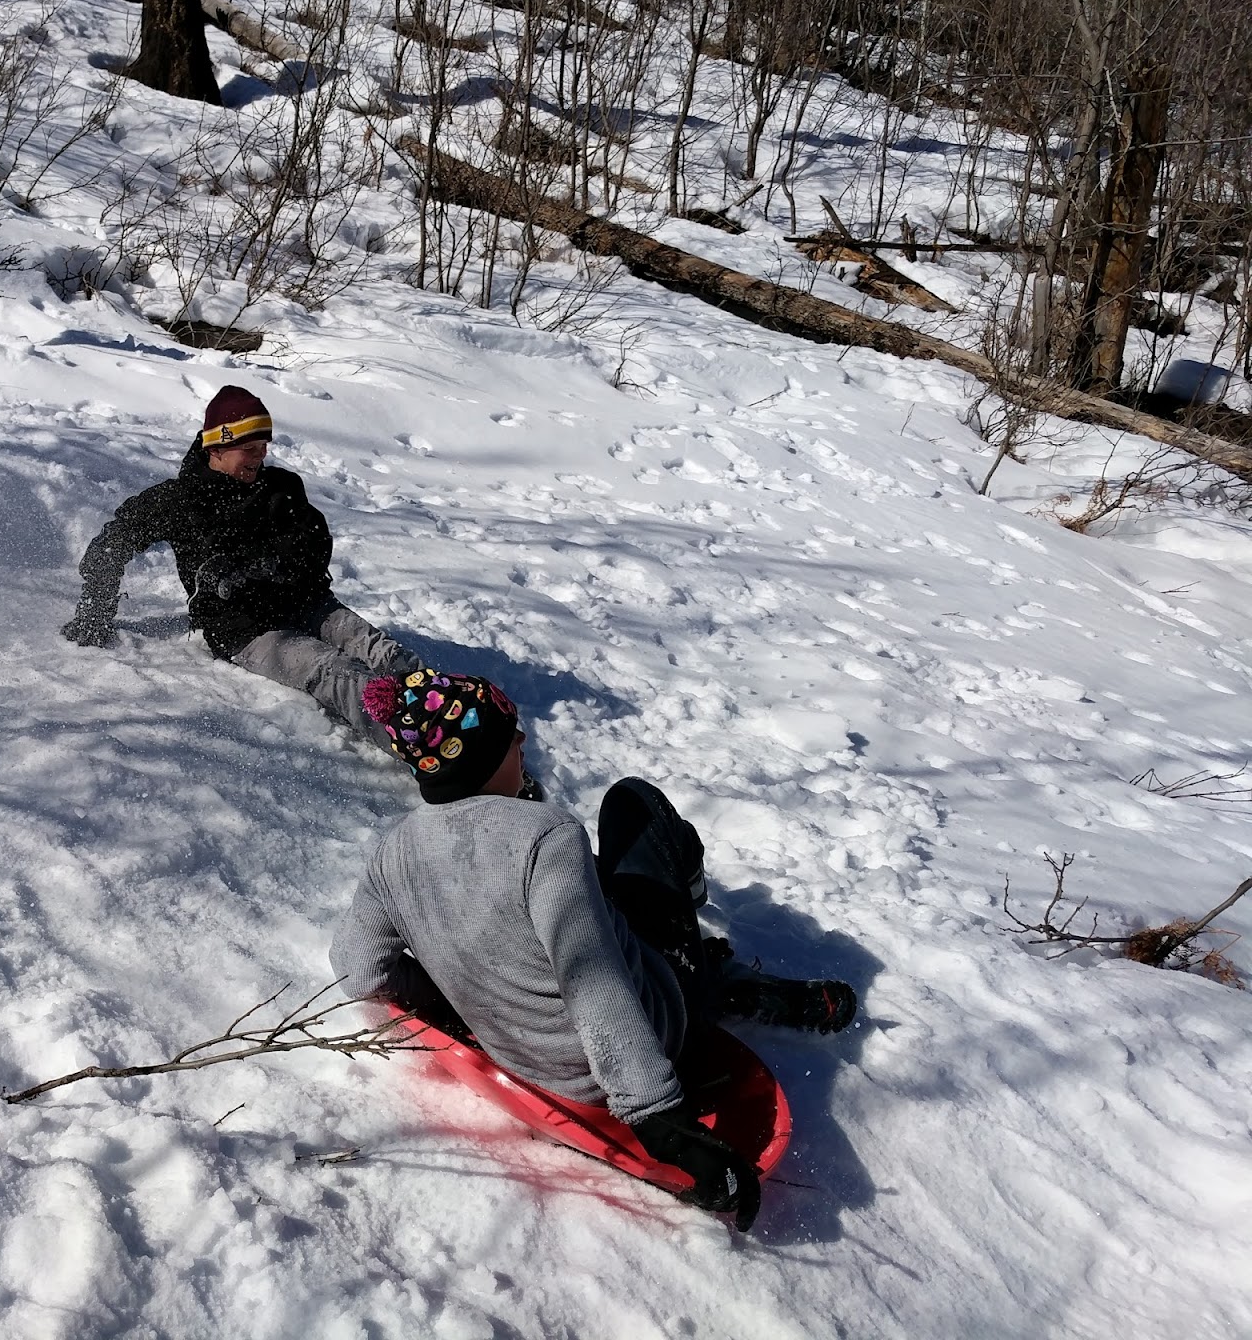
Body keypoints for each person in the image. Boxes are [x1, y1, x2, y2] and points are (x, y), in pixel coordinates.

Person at [329, 672, 857, 1230]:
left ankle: (704, 969)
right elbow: (594, 983)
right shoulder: (545, 836)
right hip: (642, 1041)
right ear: (482, 755)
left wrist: (458, 987)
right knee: (636, 804)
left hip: (527, 1057)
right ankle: (709, 975)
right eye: (510, 735)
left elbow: (358, 969)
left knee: (599, 889)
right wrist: (663, 1123)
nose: (522, 742)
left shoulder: (391, 856)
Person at [60, 386, 424, 748]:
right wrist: (95, 609)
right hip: (247, 632)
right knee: (334, 671)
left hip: (308, 603)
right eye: (249, 448)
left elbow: (313, 543)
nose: (260, 456)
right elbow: (111, 544)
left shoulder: (281, 487)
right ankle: (419, 742)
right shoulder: (179, 502)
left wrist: (260, 563)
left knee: (378, 649)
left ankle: (444, 703)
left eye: (264, 446)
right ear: (216, 448)